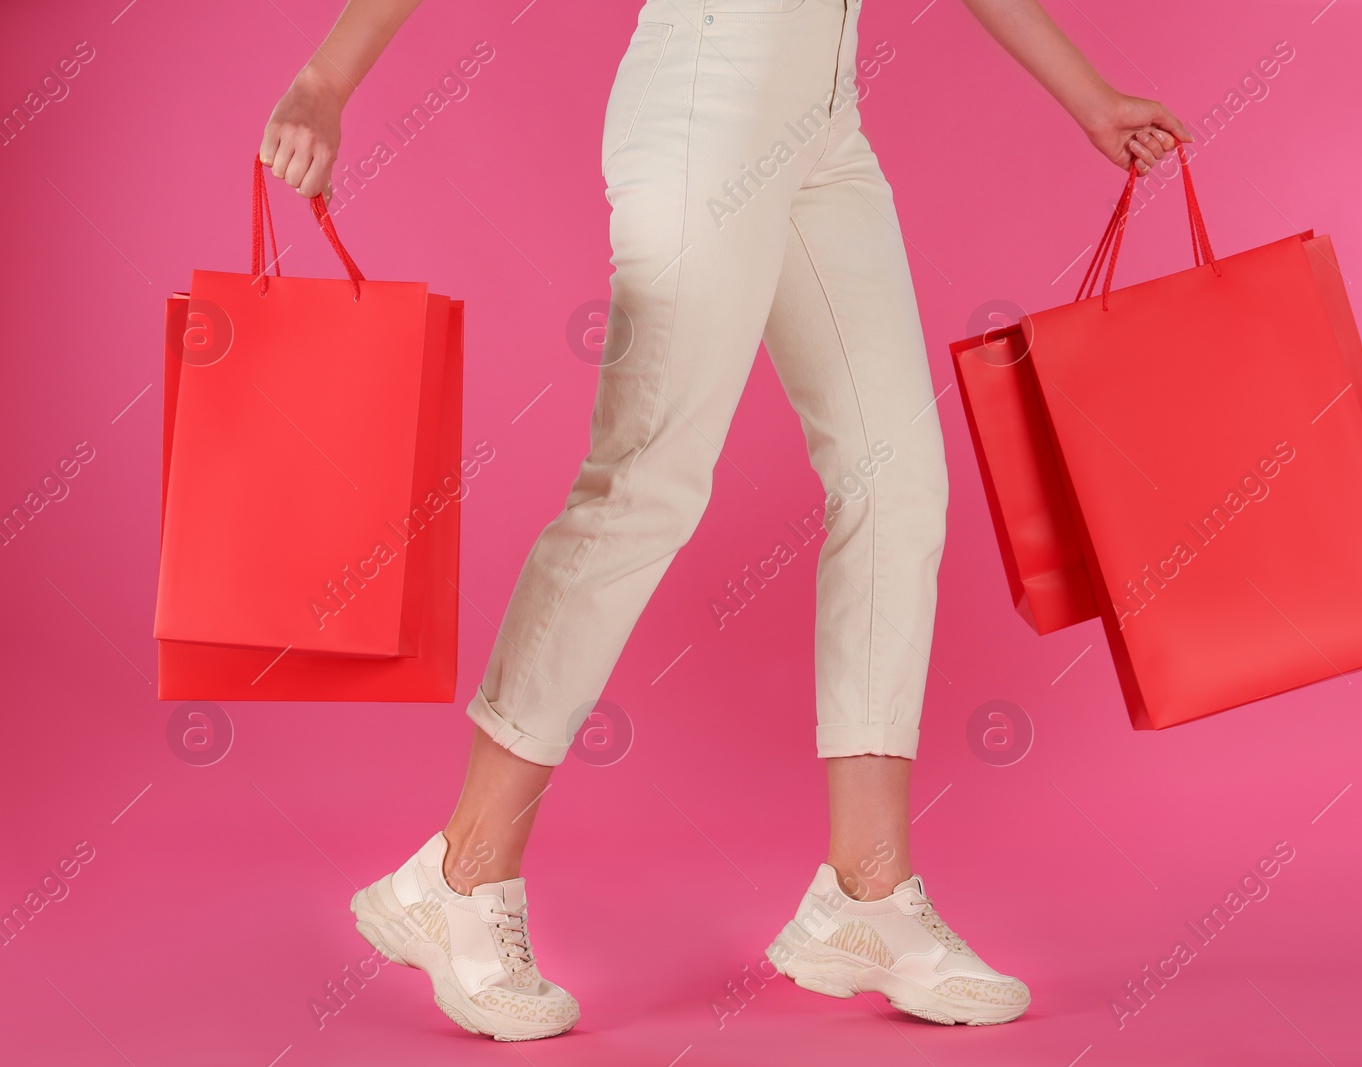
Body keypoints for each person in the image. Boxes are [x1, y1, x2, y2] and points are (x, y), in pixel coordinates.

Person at [263, 0, 1189, 1042]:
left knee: (895, 483)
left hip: (825, 117)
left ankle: (865, 895)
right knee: (646, 477)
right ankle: (459, 873)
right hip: (710, 92)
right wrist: (325, 81)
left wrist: (1088, 97)